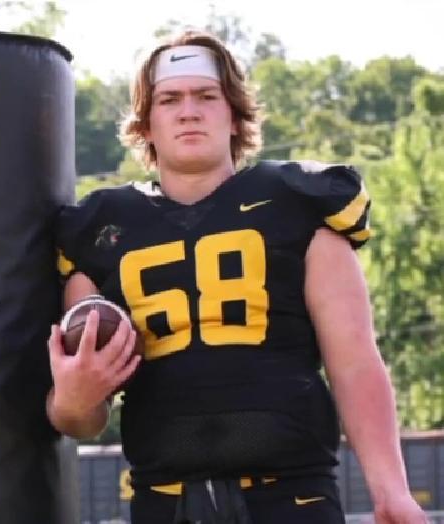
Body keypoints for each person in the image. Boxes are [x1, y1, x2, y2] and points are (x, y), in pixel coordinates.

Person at [46, 30, 427, 524]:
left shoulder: (298, 204)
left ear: (235, 114)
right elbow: (78, 418)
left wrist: (392, 490)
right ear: (146, 123)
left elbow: (354, 360)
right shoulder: (100, 230)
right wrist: (74, 398)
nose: (189, 111)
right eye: (169, 99)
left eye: (206, 96)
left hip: (292, 498)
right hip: (165, 503)